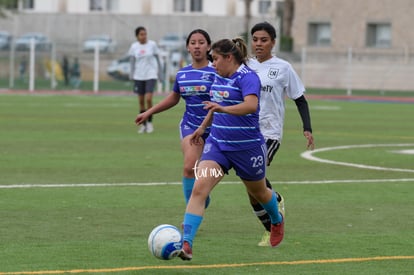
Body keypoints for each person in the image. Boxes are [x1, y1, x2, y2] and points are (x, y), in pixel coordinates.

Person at [179, 37, 284, 261]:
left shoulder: (248, 77)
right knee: (199, 189)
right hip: (217, 147)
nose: (213, 64)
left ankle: (276, 220)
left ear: (228, 57)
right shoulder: (218, 77)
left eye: (215, 59)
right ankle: (186, 243)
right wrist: (201, 127)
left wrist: (223, 109)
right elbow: (214, 106)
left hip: (247, 149)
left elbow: (251, 105)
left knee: (260, 193)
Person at [247, 21, 315, 246]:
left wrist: (307, 128)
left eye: (264, 40)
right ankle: (273, 208)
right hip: (245, 132)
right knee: (251, 188)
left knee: (255, 178)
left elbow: (300, 99)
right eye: (255, 39)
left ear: (273, 43)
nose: (258, 44)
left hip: (269, 133)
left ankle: (273, 221)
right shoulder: (245, 66)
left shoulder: (283, 67)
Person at [135, 29, 215, 206]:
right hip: (191, 126)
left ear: (208, 46)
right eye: (193, 43)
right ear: (187, 47)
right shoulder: (182, 74)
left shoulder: (217, 72)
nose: (197, 46)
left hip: (216, 129)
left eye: (201, 42)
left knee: (206, 174)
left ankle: (200, 194)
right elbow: (174, 98)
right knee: (189, 168)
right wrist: (148, 112)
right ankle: (191, 210)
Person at [129, 26, 163, 134]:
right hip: (139, 76)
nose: (144, 36)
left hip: (150, 75)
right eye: (141, 34)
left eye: (145, 34)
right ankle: (143, 125)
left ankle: (149, 123)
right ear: (137, 36)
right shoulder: (134, 47)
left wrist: (160, 73)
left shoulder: (152, 45)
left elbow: (158, 59)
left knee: (148, 99)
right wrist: (131, 74)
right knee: (141, 102)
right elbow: (132, 61)